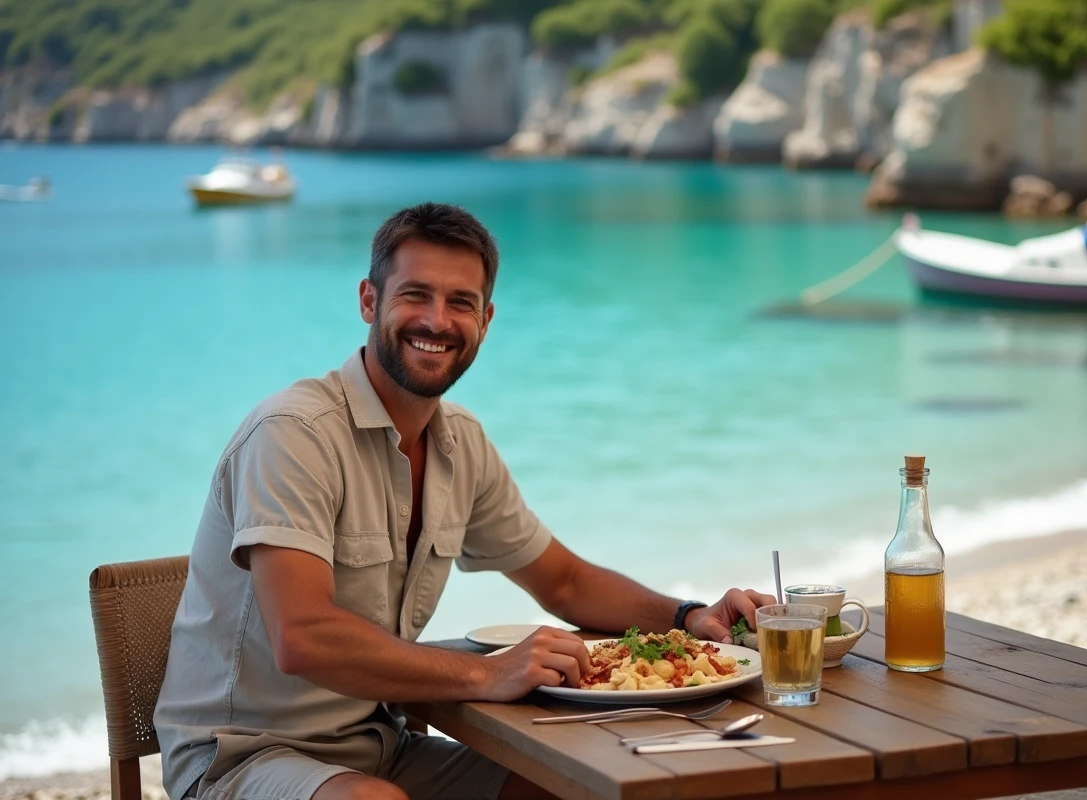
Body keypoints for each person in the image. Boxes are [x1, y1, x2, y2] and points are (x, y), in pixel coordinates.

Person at [154, 202, 775, 800]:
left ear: (486, 320)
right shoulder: (294, 434)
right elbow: (303, 638)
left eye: (461, 303)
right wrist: (488, 673)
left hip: (378, 745)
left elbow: (564, 582)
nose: (436, 321)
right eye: (415, 295)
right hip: (239, 758)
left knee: (580, 785)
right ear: (369, 300)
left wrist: (690, 617)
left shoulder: (460, 444)